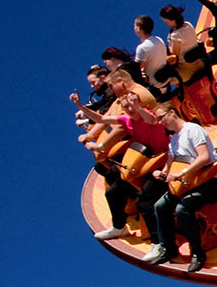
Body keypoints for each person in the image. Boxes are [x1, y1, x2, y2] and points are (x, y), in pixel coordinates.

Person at [71, 92, 171, 245]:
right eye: (126, 107)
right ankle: (119, 227)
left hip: (163, 160)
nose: (130, 110)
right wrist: (79, 106)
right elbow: (101, 119)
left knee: (144, 201)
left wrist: (137, 107)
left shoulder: (148, 115)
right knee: (112, 192)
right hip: (144, 159)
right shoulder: (127, 120)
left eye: (131, 106)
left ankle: (157, 241)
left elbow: (151, 120)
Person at [152, 104, 217, 273]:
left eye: (161, 117)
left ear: (172, 112)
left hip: (209, 180)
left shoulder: (193, 130)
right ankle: (168, 247)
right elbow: (171, 162)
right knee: (160, 206)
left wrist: (182, 173)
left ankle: (198, 252)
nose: (160, 122)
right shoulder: (173, 139)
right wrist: (163, 172)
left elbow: (204, 157)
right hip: (188, 181)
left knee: (183, 209)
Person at [161, 4, 217, 118]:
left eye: (167, 22)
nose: (166, 24)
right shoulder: (188, 25)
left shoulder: (175, 35)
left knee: (165, 81)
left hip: (186, 72)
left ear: (173, 20)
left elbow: (175, 56)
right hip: (199, 64)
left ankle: (184, 106)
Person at [134, 16, 174, 99]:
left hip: (155, 87)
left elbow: (136, 70)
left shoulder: (141, 48)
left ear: (138, 29)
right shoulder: (159, 39)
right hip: (166, 81)